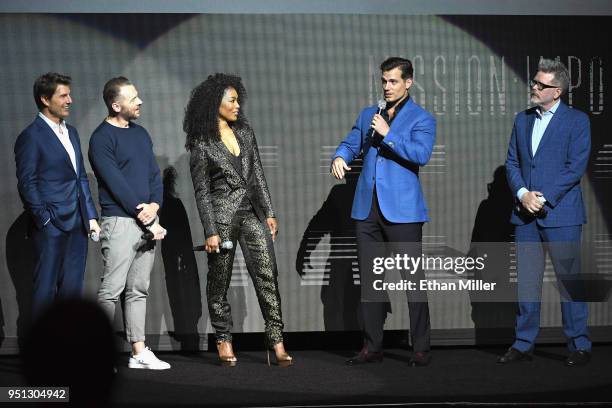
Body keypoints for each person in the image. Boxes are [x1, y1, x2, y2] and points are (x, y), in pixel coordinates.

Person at [331, 57, 436, 366]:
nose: (387, 87)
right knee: (371, 280)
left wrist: (388, 133)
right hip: (367, 210)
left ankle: (420, 348)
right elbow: (351, 143)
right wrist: (340, 156)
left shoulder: (422, 118)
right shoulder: (369, 115)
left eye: (393, 81)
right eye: (384, 81)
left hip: (403, 211)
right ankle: (372, 346)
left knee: (412, 281)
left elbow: (421, 154)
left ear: (408, 82)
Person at [185, 73, 291, 367]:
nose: (237, 105)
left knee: (268, 274)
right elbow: (202, 192)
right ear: (214, 103)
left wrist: (269, 211)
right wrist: (210, 231)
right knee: (219, 282)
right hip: (221, 220)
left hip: (251, 214)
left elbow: (257, 174)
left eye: (237, 100)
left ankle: (276, 340)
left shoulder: (245, 133)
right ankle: (223, 339)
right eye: (231, 100)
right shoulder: (201, 143)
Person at [500, 59, 592, 366]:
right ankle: (523, 343)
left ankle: (579, 345)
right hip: (524, 215)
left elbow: (575, 167)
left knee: (570, 284)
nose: (534, 88)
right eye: (534, 82)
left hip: (562, 214)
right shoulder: (522, 119)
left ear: (558, 91)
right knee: (527, 283)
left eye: (541, 85)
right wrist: (524, 194)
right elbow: (512, 162)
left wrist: (544, 197)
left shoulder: (577, 121)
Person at [89, 77, 170, 370]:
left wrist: (155, 207)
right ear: (116, 104)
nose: (140, 102)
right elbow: (115, 183)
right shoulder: (101, 138)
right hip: (120, 221)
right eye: (133, 98)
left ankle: (138, 351)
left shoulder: (140, 133)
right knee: (111, 290)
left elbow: (153, 175)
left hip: (147, 219)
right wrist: (145, 214)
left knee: (138, 289)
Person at [14, 72, 100, 318]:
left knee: (72, 292)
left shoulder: (71, 132)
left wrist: (90, 216)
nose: (70, 100)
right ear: (44, 99)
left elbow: (80, 176)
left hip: (77, 224)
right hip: (51, 225)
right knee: (45, 291)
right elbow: (27, 183)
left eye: (69, 94)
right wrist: (44, 220)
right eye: (63, 95)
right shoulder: (31, 137)